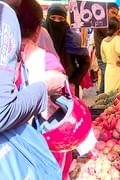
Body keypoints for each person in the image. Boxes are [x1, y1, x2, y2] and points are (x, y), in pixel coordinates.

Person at [0, 1, 62, 179]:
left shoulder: (19, 53)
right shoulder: (4, 16)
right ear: (38, 29)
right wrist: (45, 87)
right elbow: (3, 111)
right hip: (26, 149)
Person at [44, 4, 90, 97]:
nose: (57, 21)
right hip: (44, 85)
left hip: (68, 84)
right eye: (53, 18)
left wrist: (74, 81)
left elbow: (85, 62)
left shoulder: (74, 38)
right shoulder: (40, 36)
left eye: (61, 19)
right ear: (48, 18)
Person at [94, 2, 119, 94]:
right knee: (108, 78)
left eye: (116, 14)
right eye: (113, 12)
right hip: (103, 57)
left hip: (106, 56)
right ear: (105, 11)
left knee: (105, 78)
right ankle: (104, 98)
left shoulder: (106, 23)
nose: (115, 15)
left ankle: (101, 97)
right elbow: (112, 36)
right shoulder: (102, 23)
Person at [101, 17, 120, 94]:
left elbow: (104, 59)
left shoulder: (103, 41)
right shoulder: (118, 39)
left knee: (109, 94)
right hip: (118, 70)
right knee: (118, 95)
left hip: (109, 70)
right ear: (118, 27)